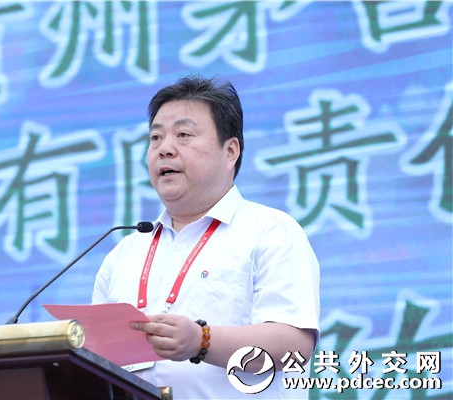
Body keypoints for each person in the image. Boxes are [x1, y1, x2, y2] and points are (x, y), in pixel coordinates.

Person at [92, 75, 320, 399]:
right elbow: (95, 364)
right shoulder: (123, 254)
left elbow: (294, 348)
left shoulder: (271, 232)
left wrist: (201, 341)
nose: (164, 149)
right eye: (155, 138)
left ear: (230, 151)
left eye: (183, 135)